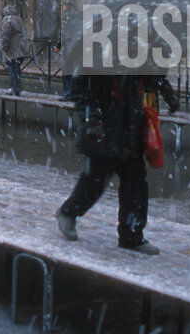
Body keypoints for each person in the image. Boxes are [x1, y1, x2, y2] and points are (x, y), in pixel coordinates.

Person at [56, 73, 179, 255]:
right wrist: (92, 118)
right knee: (96, 179)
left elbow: (153, 74)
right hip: (103, 127)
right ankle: (68, 212)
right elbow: (82, 88)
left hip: (131, 124)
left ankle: (132, 236)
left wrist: (168, 93)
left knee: (135, 183)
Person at [0, 5, 30, 96]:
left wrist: (4, 47)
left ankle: (14, 89)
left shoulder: (7, 20)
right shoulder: (19, 19)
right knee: (16, 69)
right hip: (21, 47)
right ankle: (17, 88)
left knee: (12, 69)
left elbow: (5, 35)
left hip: (13, 48)